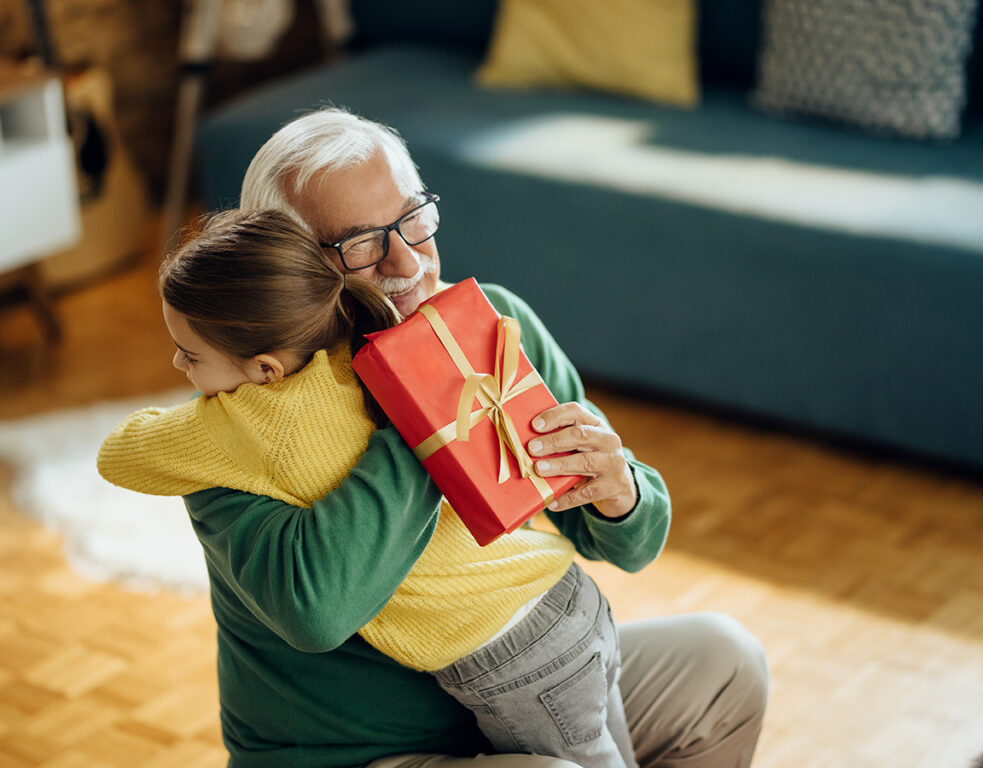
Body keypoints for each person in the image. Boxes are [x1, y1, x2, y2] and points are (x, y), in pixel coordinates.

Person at [179, 106, 769, 768]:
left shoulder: (495, 325)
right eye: (362, 243)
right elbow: (315, 614)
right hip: (357, 755)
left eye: (411, 220)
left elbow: (630, 543)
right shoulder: (235, 419)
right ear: (291, 266)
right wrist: (424, 406)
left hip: (520, 691)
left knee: (725, 663)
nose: (406, 260)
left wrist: (620, 492)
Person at [98, 208, 639, 768]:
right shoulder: (376, 360)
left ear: (264, 370)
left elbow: (117, 454)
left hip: (517, 660)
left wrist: (206, 409)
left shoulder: (242, 424)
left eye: (189, 355)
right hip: (565, 593)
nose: (176, 363)